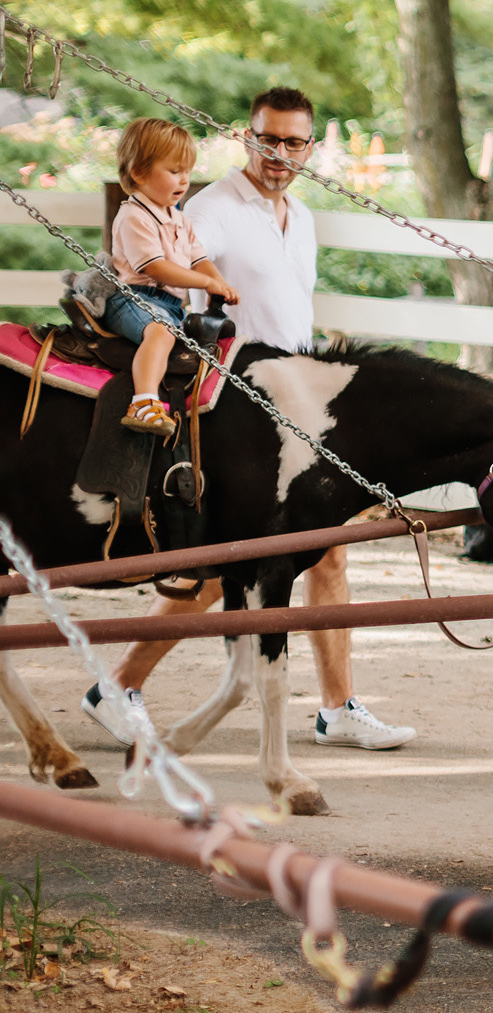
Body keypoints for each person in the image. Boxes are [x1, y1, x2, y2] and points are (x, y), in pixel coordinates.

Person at [79, 87, 416, 754]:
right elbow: (151, 269)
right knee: (230, 563)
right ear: (246, 136)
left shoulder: (301, 217)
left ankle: (338, 705)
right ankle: (117, 682)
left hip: (297, 404)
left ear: (311, 147)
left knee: (327, 551)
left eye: (294, 141)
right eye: (269, 138)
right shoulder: (213, 210)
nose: (280, 152)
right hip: (238, 403)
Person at [103, 119, 238, 437]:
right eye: (174, 171)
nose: (184, 180)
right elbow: (155, 267)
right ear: (139, 172)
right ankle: (143, 402)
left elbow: (199, 258)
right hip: (134, 298)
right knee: (161, 333)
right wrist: (205, 283)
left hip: (170, 305)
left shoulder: (179, 218)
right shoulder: (134, 215)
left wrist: (220, 282)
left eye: (187, 171)